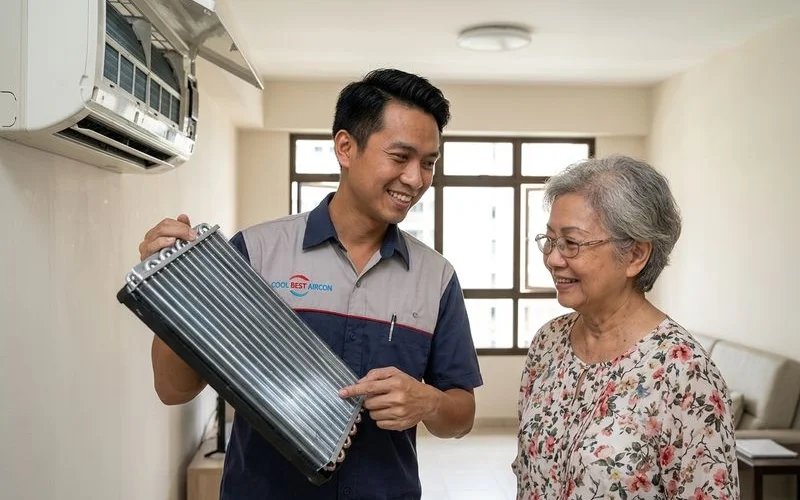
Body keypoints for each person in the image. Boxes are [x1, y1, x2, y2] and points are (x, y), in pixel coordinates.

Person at [138, 68, 482, 500]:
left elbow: (461, 414)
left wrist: (428, 402)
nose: (416, 179)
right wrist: (173, 291)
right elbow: (174, 390)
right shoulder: (256, 253)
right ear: (345, 147)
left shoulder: (437, 278)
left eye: (429, 163)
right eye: (400, 157)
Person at [513, 156, 738, 499]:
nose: (553, 259)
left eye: (571, 243)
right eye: (550, 239)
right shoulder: (548, 343)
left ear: (635, 255)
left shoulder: (683, 371)